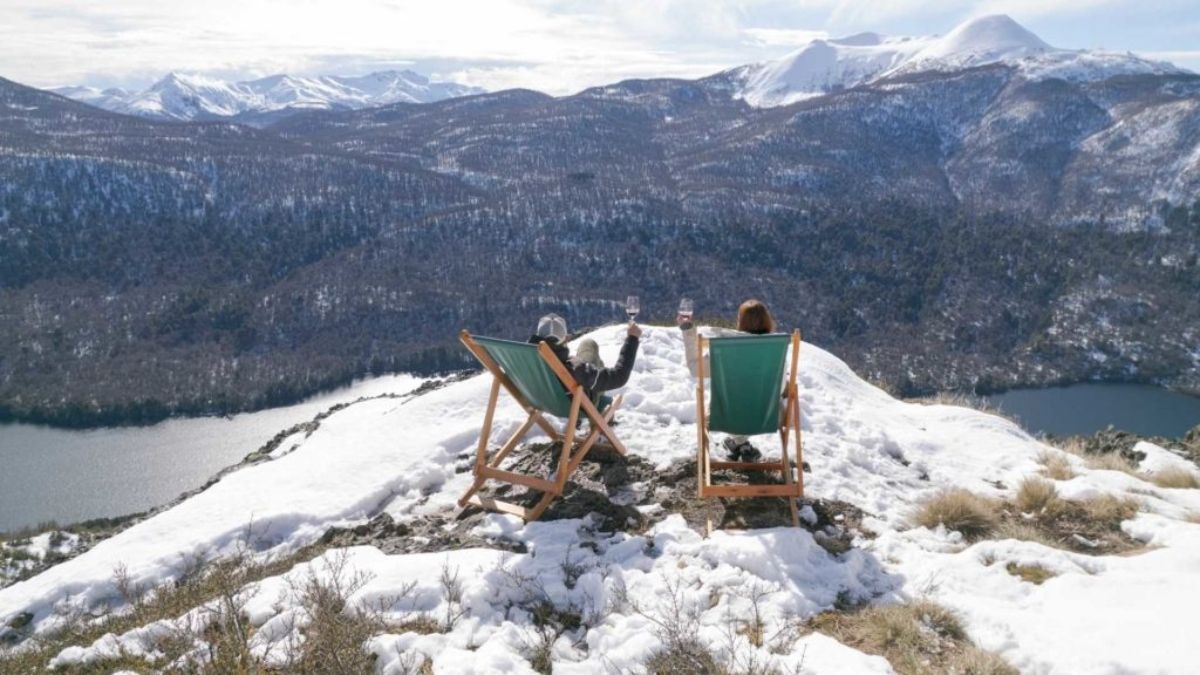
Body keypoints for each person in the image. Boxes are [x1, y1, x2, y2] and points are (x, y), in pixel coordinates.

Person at [678, 299, 777, 462]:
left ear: (741, 322)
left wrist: (688, 330)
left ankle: (739, 443)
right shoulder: (774, 348)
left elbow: (696, 368)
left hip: (727, 414)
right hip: (767, 415)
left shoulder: (728, 348)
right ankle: (741, 444)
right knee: (746, 398)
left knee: (734, 399)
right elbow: (780, 386)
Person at [528, 313, 641, 402]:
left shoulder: (527, 361)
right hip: (576, 404)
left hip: (544, 400)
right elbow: (619, 377)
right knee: (594, 353)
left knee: (587, 343)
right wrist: (632, 339)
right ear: (566, 339)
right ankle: (603, 409)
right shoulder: (575, 369)